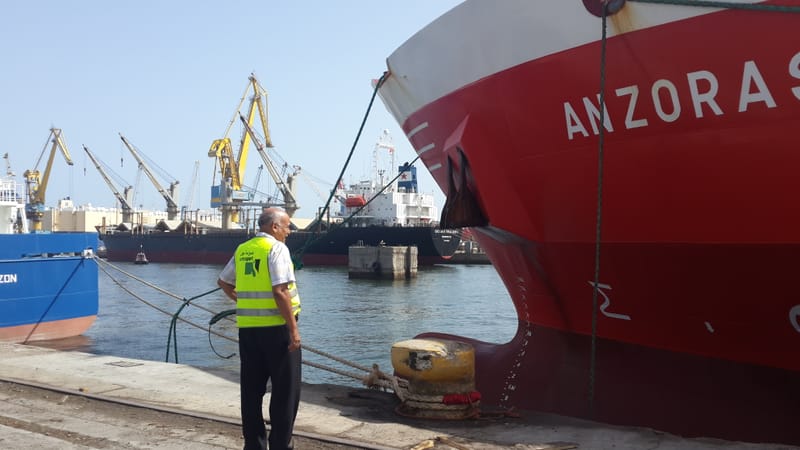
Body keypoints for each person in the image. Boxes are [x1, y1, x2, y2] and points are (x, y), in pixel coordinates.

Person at [217, 208, 301, 450]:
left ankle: (253, 445)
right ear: (274, 227)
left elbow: (223, 281)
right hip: (278, 331)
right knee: (285, 392)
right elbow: (280, 291)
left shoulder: (243, 249)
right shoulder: (276, 248)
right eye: (286, 226)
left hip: (248, 330)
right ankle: (280, 445)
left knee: (251, 392)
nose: (289, 232)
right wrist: (293, 330)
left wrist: (243, 302)